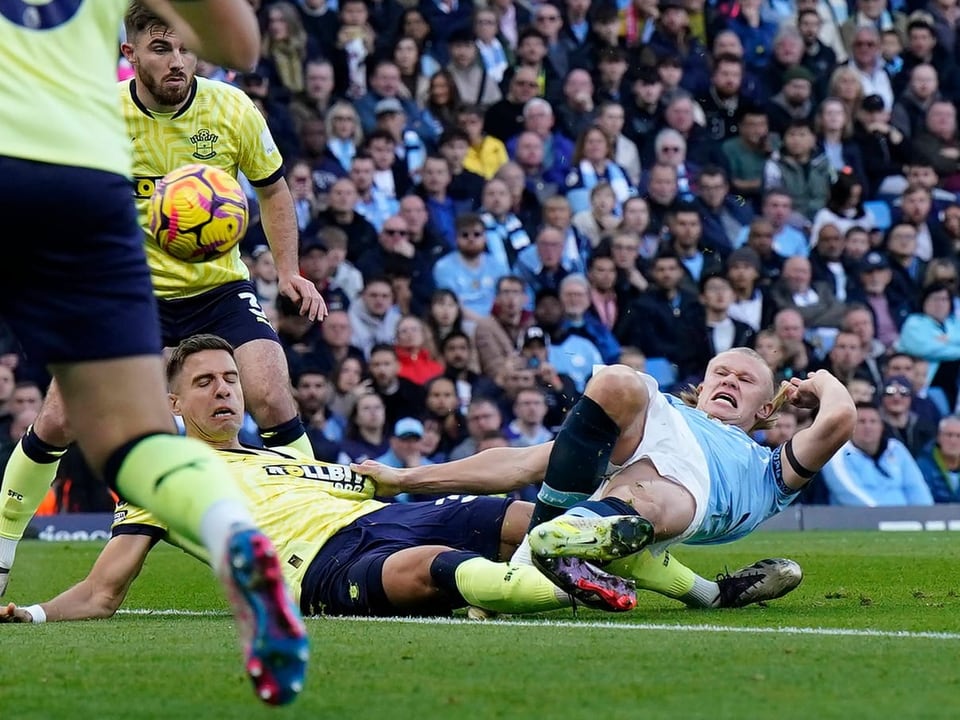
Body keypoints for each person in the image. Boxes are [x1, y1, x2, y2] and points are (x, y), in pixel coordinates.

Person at [0, 335, 796, 625]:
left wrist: (401, 477)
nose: (223, 390)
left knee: (534, 513)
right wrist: (31, 612)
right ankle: (546, 587)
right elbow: (105, 591)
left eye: (229, 379)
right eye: (204, 382)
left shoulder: (293, 459)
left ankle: (703, 593)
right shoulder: (159, 476)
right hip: (320, 568)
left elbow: (425, 480)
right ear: (173, 403)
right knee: (437, 573)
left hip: (372, 517)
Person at [0, 0, 307, 706]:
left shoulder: (227, 112)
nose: (178, 60)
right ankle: (235, 533)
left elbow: (271, 180)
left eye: (183, 50)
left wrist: (288, 269)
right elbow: (244, 41)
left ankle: (305, 527)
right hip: (90, 205)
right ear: (131, 49)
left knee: (266, 388)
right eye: (161, 47)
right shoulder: (117, 76)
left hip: (37, 157)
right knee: (119, 434)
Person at [482, 349, 855, 596]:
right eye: (721, 373)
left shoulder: (769, 470)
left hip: (670, 500)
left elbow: (840, 418)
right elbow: (529, 462)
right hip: (612, 499)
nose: (729, 381)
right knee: (617, 380)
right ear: (704, 386)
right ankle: (543, 547)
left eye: (745, 380)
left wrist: (819, 382)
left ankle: (542, 552)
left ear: (764, 409)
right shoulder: (666, 411)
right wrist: (422, 477)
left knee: (651, 496)